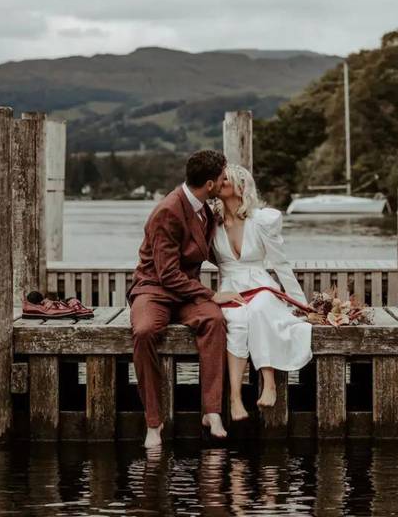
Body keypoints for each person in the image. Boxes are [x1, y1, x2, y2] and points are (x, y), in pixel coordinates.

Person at [127, 150, 245, 448]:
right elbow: (167, 274)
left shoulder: (206, 209)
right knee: (143, 332)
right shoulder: (168, 211)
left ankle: (212, 411)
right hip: (155, 289)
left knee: (214, 320)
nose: (224, 181)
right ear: (209, 184)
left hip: (187, 291)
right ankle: (153, 422)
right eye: (221, 178)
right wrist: (212, 294)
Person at [212, 164, 312, 421]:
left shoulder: (261, 221)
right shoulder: (212, 222)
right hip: (230, 286)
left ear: (241, 187)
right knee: (236, 322)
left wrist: (301, 305)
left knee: (258, 309)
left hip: (261, 284)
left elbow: (281, 263)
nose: (220, 183)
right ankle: (235, 397)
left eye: (226, 180)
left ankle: (269, 382)